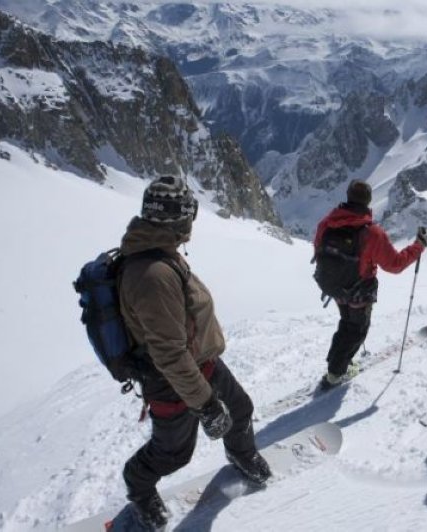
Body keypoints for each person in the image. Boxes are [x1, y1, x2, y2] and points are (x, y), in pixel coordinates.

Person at [118, 176, 270, 529]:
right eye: (189, 213)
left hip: (203, 363)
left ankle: (241, 454)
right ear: (175, 217)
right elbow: (169, 355)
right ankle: (138, 484)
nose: (192, 222)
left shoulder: (161, 253)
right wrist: (206, 405)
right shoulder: (153, 275)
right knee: (174, 454)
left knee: (240, 409)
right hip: (172, 380)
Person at [314, 180, 427, 389]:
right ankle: (335, 373)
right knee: (357, 330)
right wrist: (418, 246)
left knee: (346, 323)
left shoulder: (326, 223)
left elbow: (319, 250)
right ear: (368, 201)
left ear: (348, 196)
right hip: (359, 291)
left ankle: (337, 364)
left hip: (335, 287)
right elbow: (395, 264)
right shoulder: (371, 233)